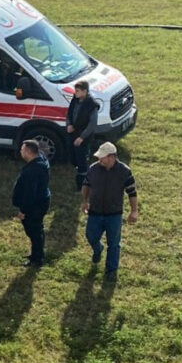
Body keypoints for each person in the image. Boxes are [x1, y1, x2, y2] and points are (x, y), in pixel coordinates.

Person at [81, 142, 137, 277]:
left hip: (114, 214)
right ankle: (98, 248)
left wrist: (134, 210)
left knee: (114, 244)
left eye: (102, 157)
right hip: (95, 211)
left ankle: (111, 270)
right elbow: (86, 185)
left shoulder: (125, 171)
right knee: (90, 236)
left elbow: (132, 192)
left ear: (112, 157)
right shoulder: (93, 169)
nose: (99, 159)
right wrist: (84, 201)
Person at [12, 139, 52, 267]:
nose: (21, 152)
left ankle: (37, 259)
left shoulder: (33, 170)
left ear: (29, 152)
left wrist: (23, 210)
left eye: (22, 150)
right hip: (42, 201)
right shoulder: (41, 160)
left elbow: (30, 193)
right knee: (37, 229)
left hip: (35, 206)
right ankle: (37, 253)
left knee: (33, 231)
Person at [66, 79, 98, 191]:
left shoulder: (91, 105)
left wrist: (82, 138)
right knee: (73, 157)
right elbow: (69, 113)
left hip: (83, 136)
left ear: (85, 91)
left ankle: (82, 185)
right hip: (73, 133)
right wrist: (69, 124)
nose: (76, 93)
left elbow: (92, 124)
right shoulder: (75, 100)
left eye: (78, 91)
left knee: (81, 161)